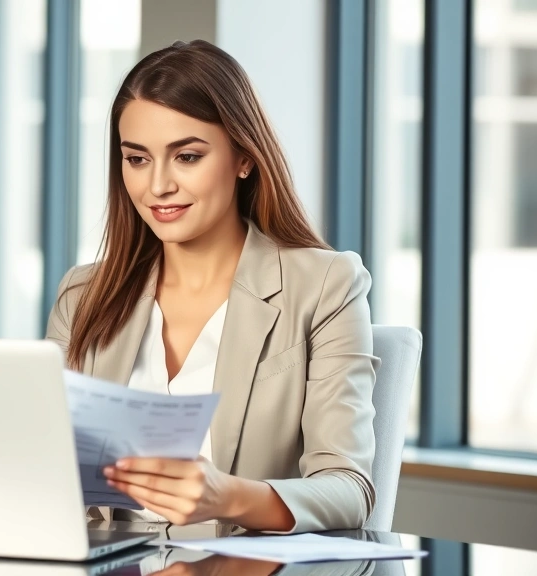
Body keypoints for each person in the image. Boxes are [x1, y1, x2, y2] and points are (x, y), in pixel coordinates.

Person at [46, 40, 379, 535]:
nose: (157, 186)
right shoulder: (82, 296)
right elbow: (44, 466)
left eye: (186, 156)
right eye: (137, 159)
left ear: (243, 158)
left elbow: (349, 487)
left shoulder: (324, 285)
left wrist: (227, 495)